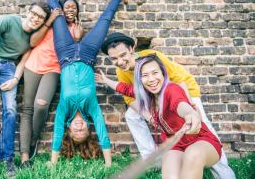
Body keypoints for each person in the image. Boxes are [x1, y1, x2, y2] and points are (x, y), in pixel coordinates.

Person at [39, 0, 139, 166]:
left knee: (56, 14)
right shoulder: (92, 108)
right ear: (87, 127)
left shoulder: (63, 109)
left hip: (65, 54)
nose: (78, 127)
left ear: (69, 128)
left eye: (74, 131)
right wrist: (109, 164)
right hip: (87, 55)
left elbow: (57, 133)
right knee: (105, 21)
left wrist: (53, 161)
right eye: (81, 130)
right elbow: (102, 132)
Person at [98, 32, 236, 178]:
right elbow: (128, 94)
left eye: (122, 55)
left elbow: (178, 82)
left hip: (182, 90)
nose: (120, 61)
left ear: (132, 49)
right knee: (131, 115)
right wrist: (151, 117)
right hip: (153, 95)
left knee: (200, 125)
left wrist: (189, 108)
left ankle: (224, 173)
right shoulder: (124, 74)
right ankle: (151, 158)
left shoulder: (153, 58)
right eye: (114, 58)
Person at [0, 1, 50, 178]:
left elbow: (22, 62)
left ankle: (8, 159)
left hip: (10, 68)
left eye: (41, 17)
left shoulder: (33, 38)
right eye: (34, 13)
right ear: (28, 11)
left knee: (10, 110)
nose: (36, 19)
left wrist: (15, 79)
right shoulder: (8, 21)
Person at [134, 54, 222, 179]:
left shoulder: (171, 89)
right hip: (176, 145)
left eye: (155, 73)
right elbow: (125, 89)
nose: (151, 79)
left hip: (201, 140)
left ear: (163, 74)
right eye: (145, 75)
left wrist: (190, 113)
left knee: (193, 153)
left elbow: (180, 103)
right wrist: (106, 80)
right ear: (140, 80)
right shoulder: (149, 98)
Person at [19, 0, 83, 167]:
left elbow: (74, 56)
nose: (70, 10)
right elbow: (32, 42)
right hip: (33, 65)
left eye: (74, 7)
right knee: (27, 109)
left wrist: (77, 40)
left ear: (77, 11)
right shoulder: (51, 23)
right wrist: (51, 19)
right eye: (67, 7)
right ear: (60, 9)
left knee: (41, 105)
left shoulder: (75, 29)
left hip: (53, 69)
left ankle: (33, 141)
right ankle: (25, 156)